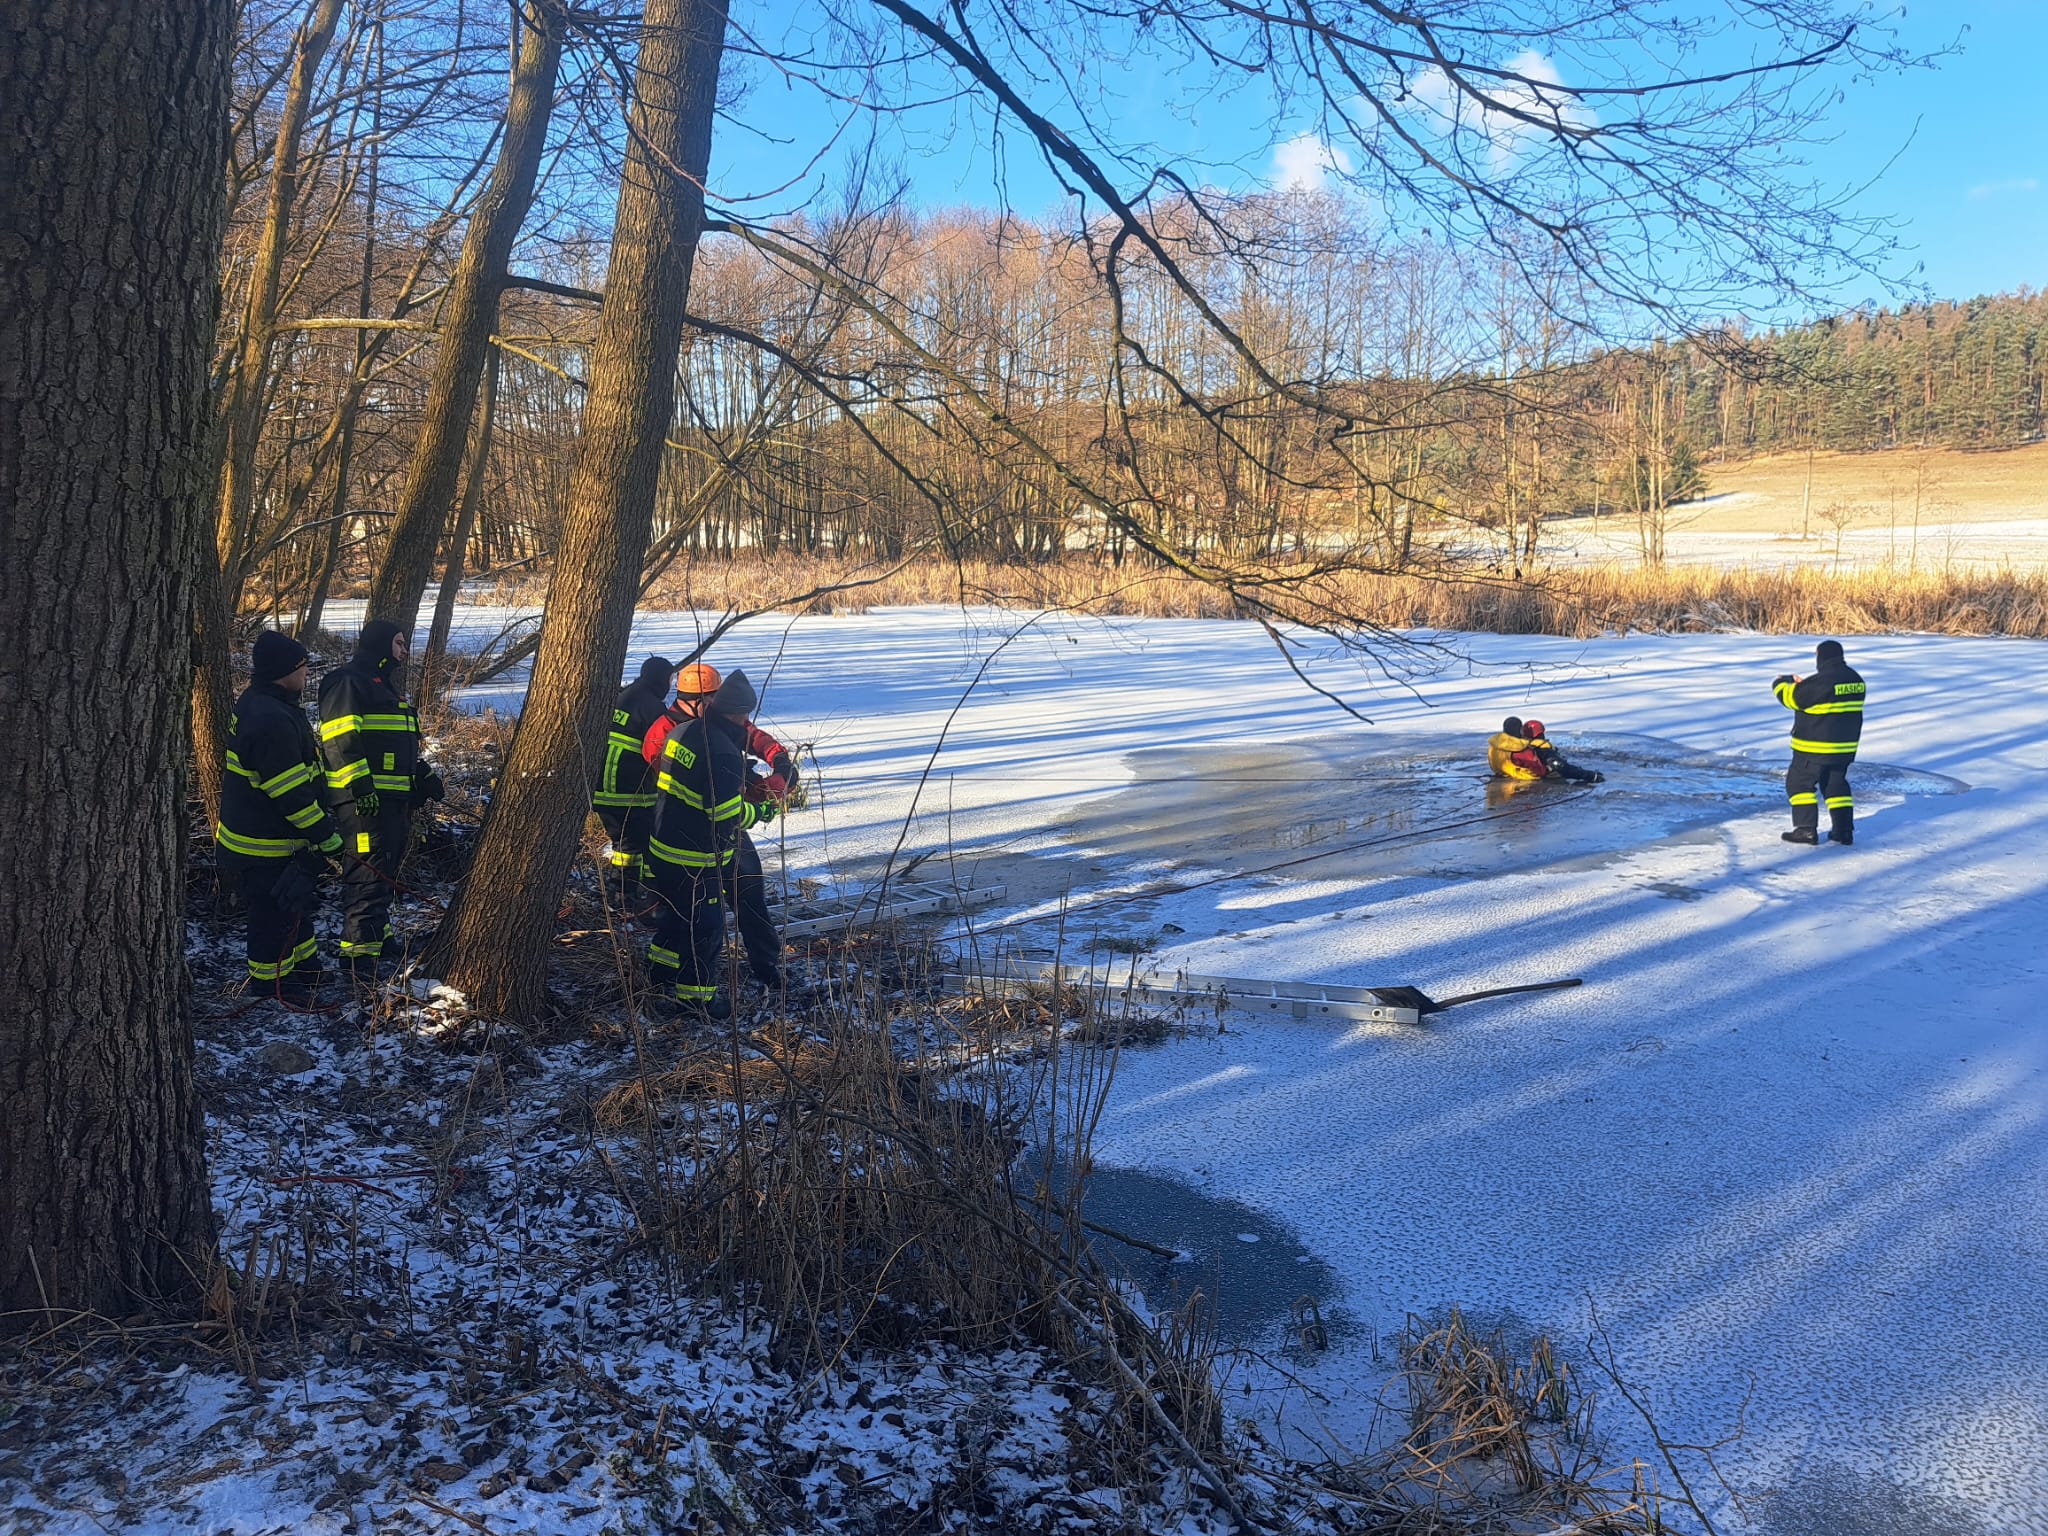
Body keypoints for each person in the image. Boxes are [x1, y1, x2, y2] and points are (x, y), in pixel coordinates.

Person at [216, 631, 344, 1001]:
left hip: (273, 838)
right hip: (264, 843)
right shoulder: (271, 719)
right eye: (302, 667)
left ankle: (303, 968)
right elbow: (291, 794)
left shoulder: (267, 703)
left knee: (294, 907)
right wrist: (326, 836)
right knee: (272, 917)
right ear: (283, 671)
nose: (307, 673)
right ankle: (271, 983)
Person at [644, 669, 778, 1019]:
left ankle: (658, 972)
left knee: (676, 917)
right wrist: (761, 810)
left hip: (662, 845)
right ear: (739, 713)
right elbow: (724, 814)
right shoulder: (721, 752)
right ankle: (697, 998)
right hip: (694, 856)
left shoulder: (682, 730)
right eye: (746, 714)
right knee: (707, 926)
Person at [318, 619, 443, 977]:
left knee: (384, 871)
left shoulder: (386, 688)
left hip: (390, 801)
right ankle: (358, 958)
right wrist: (361, 788)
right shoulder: (348, 682)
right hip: (363, 804)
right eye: (400, 643)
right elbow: (340, 740)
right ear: (381, 643)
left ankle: (377, 937)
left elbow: (393, 745)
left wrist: (420, 776)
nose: (404, 650)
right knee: (366, 874)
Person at [594, 654, 675, 914]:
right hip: (631, 791)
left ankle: (621, 895)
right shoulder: (653, 710)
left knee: (623, 844)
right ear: (662, 679)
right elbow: (664, 751)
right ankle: (633, 898)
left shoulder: (620, 696)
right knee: (642, 844)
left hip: (601, 789)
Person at [1774, 639, 1865, 846]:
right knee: (1836, 786)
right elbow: (1825, 695)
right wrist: (1807, 684)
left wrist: (1780, 683)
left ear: (1821, 656)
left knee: (1799, 783)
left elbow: (1791, 698)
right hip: (1844, 749)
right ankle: (1844, 831)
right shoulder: (1855, 679)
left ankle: (1805, 830)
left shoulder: (1821, 682)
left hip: (1813, 748)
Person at [1487, 716, 1603, 784]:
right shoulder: (1522, 750)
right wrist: (1590, 775)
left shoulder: (1496, 745)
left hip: (1506, 773)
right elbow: (1546, 770)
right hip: (1526, 781)